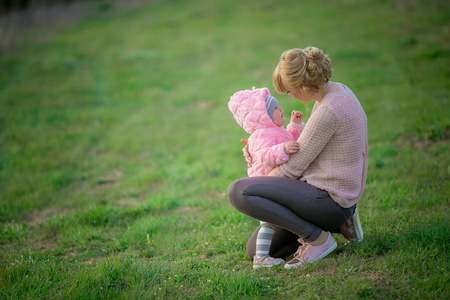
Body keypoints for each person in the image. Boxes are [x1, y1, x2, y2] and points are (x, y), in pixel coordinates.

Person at [227, 46, 367, 269]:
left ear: (303, 84)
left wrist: (258, 178)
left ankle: (319, 240)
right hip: (333, 196)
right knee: (255, 250)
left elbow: (291, 168)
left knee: (239, 191)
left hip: (330, 201)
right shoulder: (339, 92)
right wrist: (259, 157)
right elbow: (308, 151)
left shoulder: (328, 111)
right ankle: (339, 225)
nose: (289, 96)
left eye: (289, 91)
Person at [228, 87, 304, 268]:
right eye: (276, 109)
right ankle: (260, 258)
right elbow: (264, 155)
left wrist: (295, 125)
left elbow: (291, 141)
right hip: (265, 187)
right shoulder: (261, 135)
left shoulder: (274, 131)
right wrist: (282, 150)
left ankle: (304, 242)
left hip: (273, 184)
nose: (282, 110)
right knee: (269, 224)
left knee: (276, 222)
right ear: (265, 117)